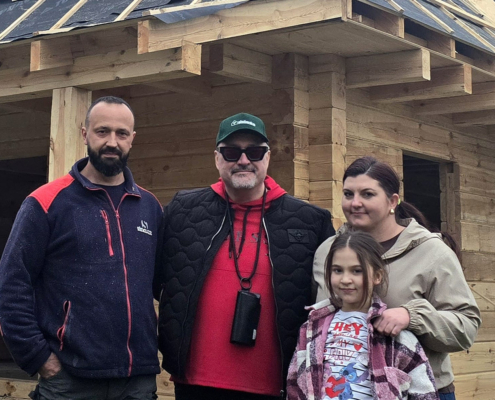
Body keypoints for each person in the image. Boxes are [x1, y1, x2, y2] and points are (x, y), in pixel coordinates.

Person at [154, 112, 335, 400]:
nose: (243, 160)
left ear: (268, 157)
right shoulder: (182, 211)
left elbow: (330, 299)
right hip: (193, 383)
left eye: (254, 151)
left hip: (275, 386)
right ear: (217, 158)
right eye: (231, 152)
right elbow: (155, 280)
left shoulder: (310, 221)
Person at [0, 96, 163, 399]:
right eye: (102, 131)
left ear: (132, 139)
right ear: (85, 134)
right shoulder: (46, 203)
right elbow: (11, 285)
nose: (112, 142)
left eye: (121, 133)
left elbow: (164, 285)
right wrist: (38, 357)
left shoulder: (149, 206)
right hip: (70, 380)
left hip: (137, 379)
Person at [313, 156, 481, 400]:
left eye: (367, 194)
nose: (355, 203)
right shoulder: (327, 251)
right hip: (343, 391)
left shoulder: (431, 252)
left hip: (420, 391)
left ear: (392, 201)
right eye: (348, 194)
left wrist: (412, 316)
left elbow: (466, 327)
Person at [287, 231, 440, 400]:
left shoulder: (393, 333)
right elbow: (295, 384)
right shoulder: (312, 328)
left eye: (356, 271)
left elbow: (425, 392)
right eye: (338, 270)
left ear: (377, 276)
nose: (345, 279)